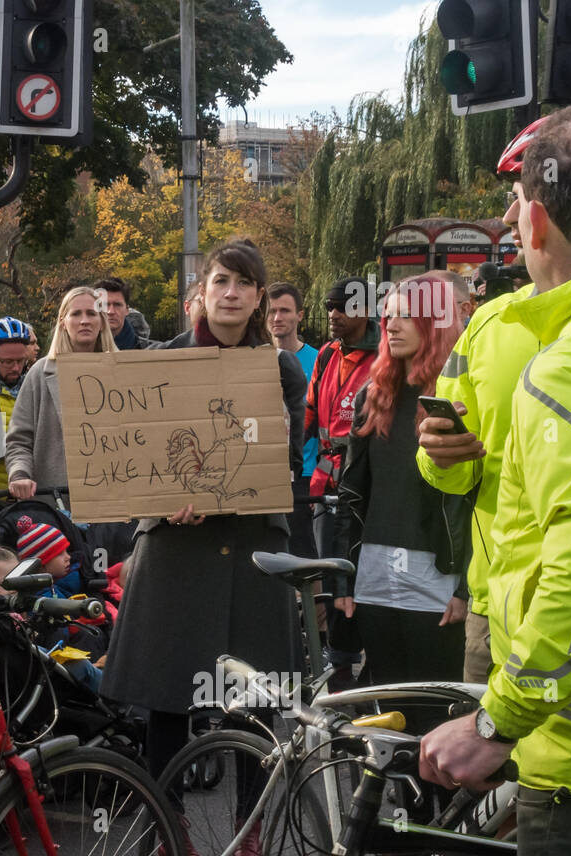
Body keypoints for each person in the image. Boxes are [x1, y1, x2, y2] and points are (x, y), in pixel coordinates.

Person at [420, 104, 571, 856]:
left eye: (513, 200)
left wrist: (495, 722)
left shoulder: (568, 364)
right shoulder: (488, 329)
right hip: (501, 622)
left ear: (531, 224)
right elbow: (440, 462)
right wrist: (445, 452)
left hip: (567, 712)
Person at [101, 238, 305, 784]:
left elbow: (286, 464)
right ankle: (170, 828)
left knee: (254, 703)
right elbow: (138, 464)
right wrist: (165, 503)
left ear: (260, 296)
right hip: (176, 551)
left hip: (254, 552)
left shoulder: (282, 369)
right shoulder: (160, 361)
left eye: (243, 283)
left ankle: (248, 833)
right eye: (221, 281)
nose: (231, 293)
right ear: (203, 290)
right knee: (169, 698)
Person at [416, 129, 542, 686]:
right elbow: (454, 472)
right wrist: (441, 455)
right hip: (493, 612)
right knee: (480, 772)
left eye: (522, 193)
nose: (510, 217)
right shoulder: (489, 324)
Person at [331, 273, 468, 686]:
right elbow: (352, 494)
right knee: (388, 708)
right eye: (388, 315)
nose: (391, 325)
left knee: (436, 710)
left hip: (439, 579)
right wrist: (343, 577)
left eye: (406, 316)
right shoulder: (373, 396)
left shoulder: (462, 394)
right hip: (376, 575)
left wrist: (466, 588)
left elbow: (478, 501)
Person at [304, 274, 381, 686]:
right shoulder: (327, 355)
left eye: (343, 308)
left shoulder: (384, 354)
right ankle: (340, 669)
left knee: (363, 572)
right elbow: (310, 413)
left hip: (366, 482)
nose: (333, 315)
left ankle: (371, 663)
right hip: (325, 482)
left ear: (365, 311)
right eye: (330, 307)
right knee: (333, 573)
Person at [4, 286, 117, 500]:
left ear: (101, 321)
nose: (84, 320)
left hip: (114, 502)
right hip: (57, 502)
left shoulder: (124, 372)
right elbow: (19, 439)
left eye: (92, 313)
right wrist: (19, 474)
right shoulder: (38, 374)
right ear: (63, 322)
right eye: (76, 314)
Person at [267, 281, 318, 558]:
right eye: (272, 311)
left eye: (285, 310)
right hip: (267, 473)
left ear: (300, 315)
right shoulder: (255, 361)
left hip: (306, 475)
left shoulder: (319, 359)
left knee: (306, 552)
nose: (277, 318)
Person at [0, 316, 33, 493]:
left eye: (21, 361)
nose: (16, 368)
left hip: (31, 497)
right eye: (8, 362)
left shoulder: (34, 386)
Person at [95, 277, 151, 350]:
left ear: (127, 310)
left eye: (117, 305)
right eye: (105, 305)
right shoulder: (80, 349)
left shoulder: (149, 350)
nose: (111, 311)